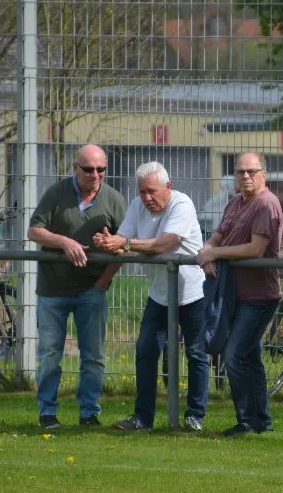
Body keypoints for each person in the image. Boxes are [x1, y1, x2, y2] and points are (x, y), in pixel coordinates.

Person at [93, 161, 208, 432]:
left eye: (152, 191)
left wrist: (124, 243)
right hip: (159, 294)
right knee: (145, 351)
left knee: (196, 353)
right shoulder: (137, 206)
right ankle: (142, 418)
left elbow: (164, 244)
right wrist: (108, 243)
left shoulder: (182, 204)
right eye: (142, 192)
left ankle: (195, 416)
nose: (146, 198)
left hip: (192, 293)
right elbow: (123, 241)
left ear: (168, 187)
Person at [27, 144, 127, 430]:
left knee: (93, 356)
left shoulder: (114, 200)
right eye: (88, 169)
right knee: (50, 354)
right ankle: (47, 412)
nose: (95, 175)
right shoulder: (56, 193)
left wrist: (103, 281)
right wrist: (64, 242)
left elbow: (125, 245)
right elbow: (34, 230)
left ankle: (89, 413)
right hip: (53, 289)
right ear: (75, 168)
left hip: (91, 290)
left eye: (101, 169)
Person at [196, 152, 283, 436]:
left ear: (263, 175)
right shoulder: (234, 202)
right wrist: (206, 252)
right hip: (234, 293)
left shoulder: (267, 204)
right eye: (240, 172)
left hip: (259, 295)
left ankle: (247, 421)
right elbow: (217, 236)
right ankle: (260, 421)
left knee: (233, 354)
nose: (245, 176)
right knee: (249, 357)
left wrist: (215, 253)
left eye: (251, 171)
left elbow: (255, 249)